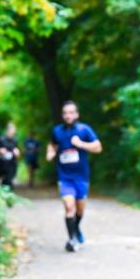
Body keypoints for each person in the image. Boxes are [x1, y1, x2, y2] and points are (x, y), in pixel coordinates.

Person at [46, 101, 102, 252]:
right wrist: (50, 152)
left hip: (81, 176)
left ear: (77, 114)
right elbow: (52, 144)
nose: (68, 116)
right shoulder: (57, 131)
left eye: (71, 112)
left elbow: (98, 147)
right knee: (69, 207)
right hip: (64, 177)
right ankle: (72, 240)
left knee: (80, 210)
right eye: (65, 113)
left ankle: (76, 228)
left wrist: (81, 144)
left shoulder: (84, 129)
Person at [0, 122, 21, 189]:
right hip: (2, 164)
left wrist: (17, 152)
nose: (13, 132)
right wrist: (0, 150)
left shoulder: (15, 140)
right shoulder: (1, 139)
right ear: (7, 130)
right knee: (4, 181)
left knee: (9, 180)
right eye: (12, 130)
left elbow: (18, 153)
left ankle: (8, 191)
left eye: (14, 130)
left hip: (12, 164)